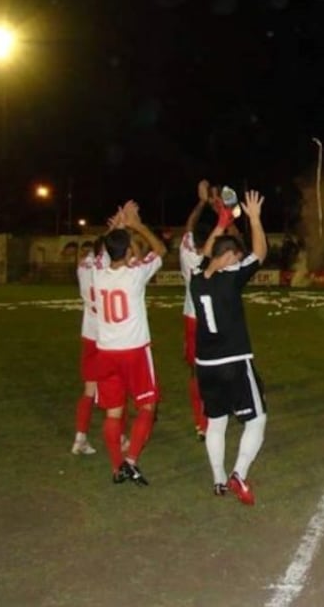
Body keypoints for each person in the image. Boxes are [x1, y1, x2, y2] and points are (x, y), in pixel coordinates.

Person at [189, 190, 268, 504]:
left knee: (216, 422)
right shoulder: (230, 278)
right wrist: (255, 219)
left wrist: (222, 224)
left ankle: (218, 480)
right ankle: (239, 473)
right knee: (257, 419)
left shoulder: (195, 277)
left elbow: (207, 255)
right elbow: (260, 253)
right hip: (234, 360)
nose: (240, 259)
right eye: (236, 255)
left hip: (205, 364)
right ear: (229, 257)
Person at [92, 201, 167, 486]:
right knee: (146, 407)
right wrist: (135, 224)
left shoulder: (98, 274)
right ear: (127, 250)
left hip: (106, 352)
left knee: (113, 413)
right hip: (134, 351)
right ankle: (132, 460)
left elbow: (104, 252)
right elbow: (159, 250)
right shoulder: (135, 275)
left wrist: (116, 227)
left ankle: (116, 466)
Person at [180, 180, 215, 441]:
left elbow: (189, 226)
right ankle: (214, 417)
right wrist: (223, 211)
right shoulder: (216, 260)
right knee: (215, 369)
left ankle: (199, 422)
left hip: (192, 319)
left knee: (196, 371)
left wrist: (202, 202)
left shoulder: (187, 255)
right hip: (213, 320)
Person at [71, 239, 103, 456]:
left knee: (89, 390)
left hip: (88, 333)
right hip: (107, 336)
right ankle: (119, 437)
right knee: (116, 387)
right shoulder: (107, 269)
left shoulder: (83, 266)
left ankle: (80, 437)